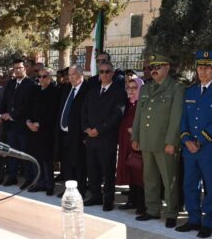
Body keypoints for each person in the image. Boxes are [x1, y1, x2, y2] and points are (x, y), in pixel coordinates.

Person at [177, 51, 212, 238]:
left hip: (210, 149)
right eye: (200, 67)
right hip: (190, 150)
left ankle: (208, 222)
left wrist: (199, 140)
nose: (203, 71)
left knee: (210, 186)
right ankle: (193, 219)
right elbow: (183, 119)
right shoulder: (190, 90)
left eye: (208, 68)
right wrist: (186, 140)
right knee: (189, 185)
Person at [132, 55, 185, 228]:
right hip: (147, 140)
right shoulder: (146, 88)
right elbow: (139, 115)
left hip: (165, 143)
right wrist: (135, 137)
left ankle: (171, 212)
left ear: (167, 68)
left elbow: (176, 118)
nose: (154, 70)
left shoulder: (176, 88)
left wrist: (172, 141)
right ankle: (152, 209)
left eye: (158, 67)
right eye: (152, 67)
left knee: (169, 180)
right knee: (150, 178)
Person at [82, 59, 127, 211]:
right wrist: (86, 128)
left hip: (106, 139)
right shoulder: (92, 91)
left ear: (112, 73)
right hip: (91, 138)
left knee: (108, 172)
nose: (105, 74)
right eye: (101, 71)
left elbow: (117, 115)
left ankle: (108, 199)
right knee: (92, 170)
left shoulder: (119, 92)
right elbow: (84, 111)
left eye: (108, 71)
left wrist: (99, 130)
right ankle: (95, 196)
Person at [0, 58, 36, 188]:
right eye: (15, 68)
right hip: (10, 126)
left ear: (25, 68)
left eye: (20, 68)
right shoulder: (10, 83)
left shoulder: (30, 84)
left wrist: (12, 115)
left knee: (25, 153)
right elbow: (4, 101)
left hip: (23, 126)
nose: (17, 70)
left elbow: (27, 106)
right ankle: (12, 176)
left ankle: (29, 178)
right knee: (11, 152)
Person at [55, 65, 89, 197]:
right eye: (69, 75)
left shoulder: (87, 90)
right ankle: (68, 190)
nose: (70, 78)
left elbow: (88, 114)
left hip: (79, 135)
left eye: (73, 75)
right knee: (67, 165)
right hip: (64, 134)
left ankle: (79, 192)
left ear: (81, 74)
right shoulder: (67, 88)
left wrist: (85, 134)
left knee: (79, 165)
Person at [26, 66, 60, 195]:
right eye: (39, 77)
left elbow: (53, 113)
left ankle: (49, 185)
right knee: (36, 158)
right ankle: (39, 183)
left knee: (46, 159)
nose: (41, 79)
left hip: (46, 131)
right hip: (33, 130)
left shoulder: (54, 92)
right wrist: (28, 122)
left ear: (50, 78)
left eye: (44, 76)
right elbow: (29, 109)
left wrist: (39, 124)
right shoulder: (35, 91)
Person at [116, 76, 145, 214]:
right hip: (126, 144)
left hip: (137, 144)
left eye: (135, 88)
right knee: (131, 173)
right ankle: (132, 200)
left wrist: (137, 132)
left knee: (139, 175)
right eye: (129, 88)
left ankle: (142, 204)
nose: (131, 91)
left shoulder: (143, 104)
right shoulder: (129, 104)